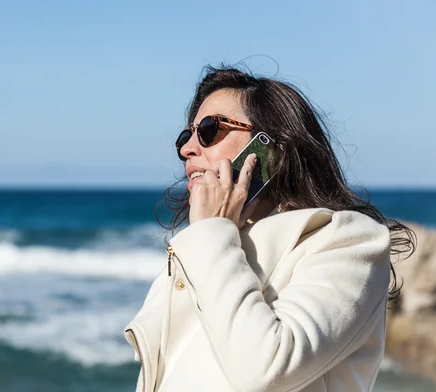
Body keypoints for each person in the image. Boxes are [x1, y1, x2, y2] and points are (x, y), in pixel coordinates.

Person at [124, 65, 415, 392]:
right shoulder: (198, 252)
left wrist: (211, 231)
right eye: (186, 135)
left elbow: (265, 369)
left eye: (209, 130)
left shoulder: (347, 240)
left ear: (271, 151)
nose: (187, 148)